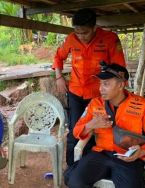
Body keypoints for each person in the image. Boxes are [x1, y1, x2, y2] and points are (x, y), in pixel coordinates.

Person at [66, 63, 145, 188]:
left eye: (106, 84)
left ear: (121, 85)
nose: (101, 88)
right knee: (75, 181)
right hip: (100, 154)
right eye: (100, 83)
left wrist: (141, 152)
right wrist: (91, 125)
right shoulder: (95, 104)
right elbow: (76, 132)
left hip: (128, 159)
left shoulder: (142, 105)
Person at [52, 8, 126, 166]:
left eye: (84, 32)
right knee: (75, 131)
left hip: (100, 96)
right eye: (77, 32)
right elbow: (58, 57)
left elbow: (119, 69)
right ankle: (72, 167)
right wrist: (59, 77)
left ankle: (90, 166)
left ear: (94, 27)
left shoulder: (110, 39)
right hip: (76, 93)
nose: (81, 36)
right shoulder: (71, 39)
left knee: (97, 132)